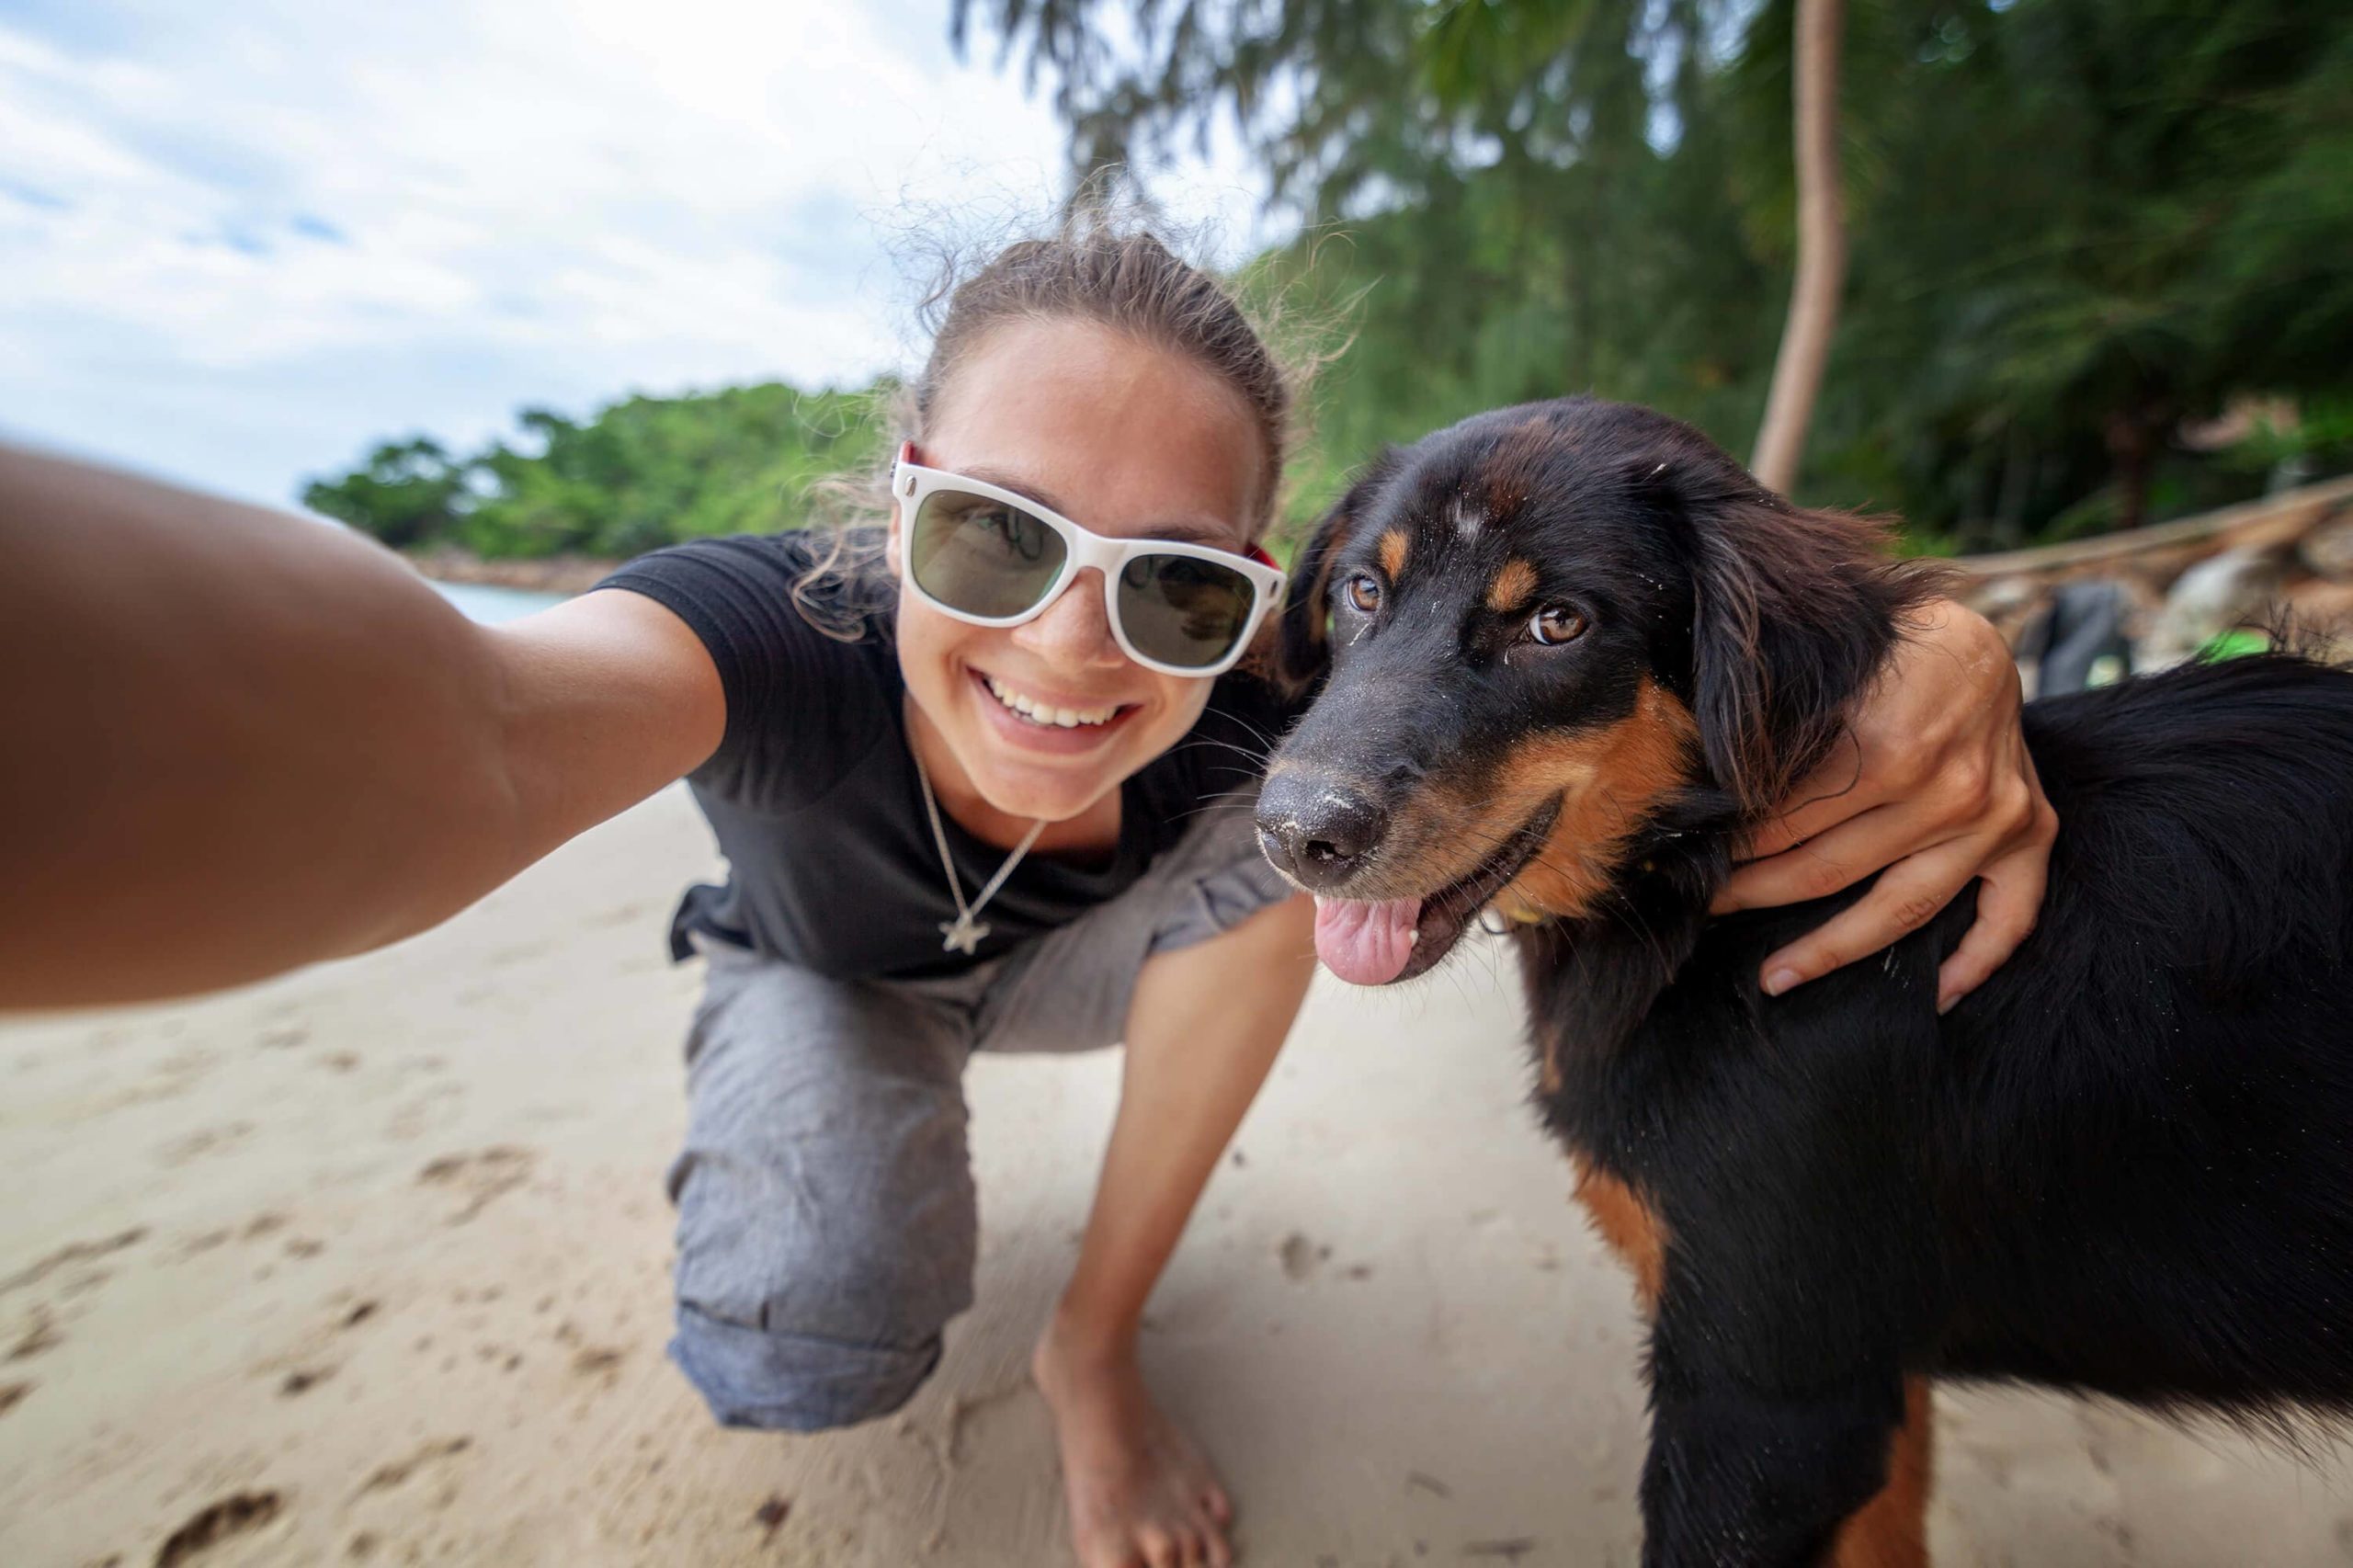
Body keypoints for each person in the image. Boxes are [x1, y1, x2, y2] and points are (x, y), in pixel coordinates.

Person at [0, 210, 2055, 1568]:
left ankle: (1093, 1336)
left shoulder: (1280, 693)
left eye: (1171, 575)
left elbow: (1687, 622)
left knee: (1275, 862)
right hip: (839, 978)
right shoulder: (762, 631)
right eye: (993, 543)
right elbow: (468, 727)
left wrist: (1940, 657)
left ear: (1266, 590)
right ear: (898, 503)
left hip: (1096, 962)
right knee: (801, 1348)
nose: (1079, 651)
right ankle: (824, 1132)